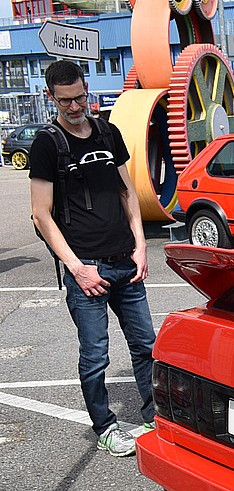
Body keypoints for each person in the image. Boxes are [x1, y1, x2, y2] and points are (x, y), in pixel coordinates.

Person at [28, 60, 155, 457]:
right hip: (87, 268)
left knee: (146, 345)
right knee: (96, 354)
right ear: (50, 97)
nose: (75, 106)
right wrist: (77, 268)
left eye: (80, 97)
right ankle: (105, 427)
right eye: (65, 100)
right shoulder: (47, 144)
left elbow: (127, 192)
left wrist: (140, 245)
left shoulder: (107, 131)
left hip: (126, 261)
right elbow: (41, 215)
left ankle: (154, 417)